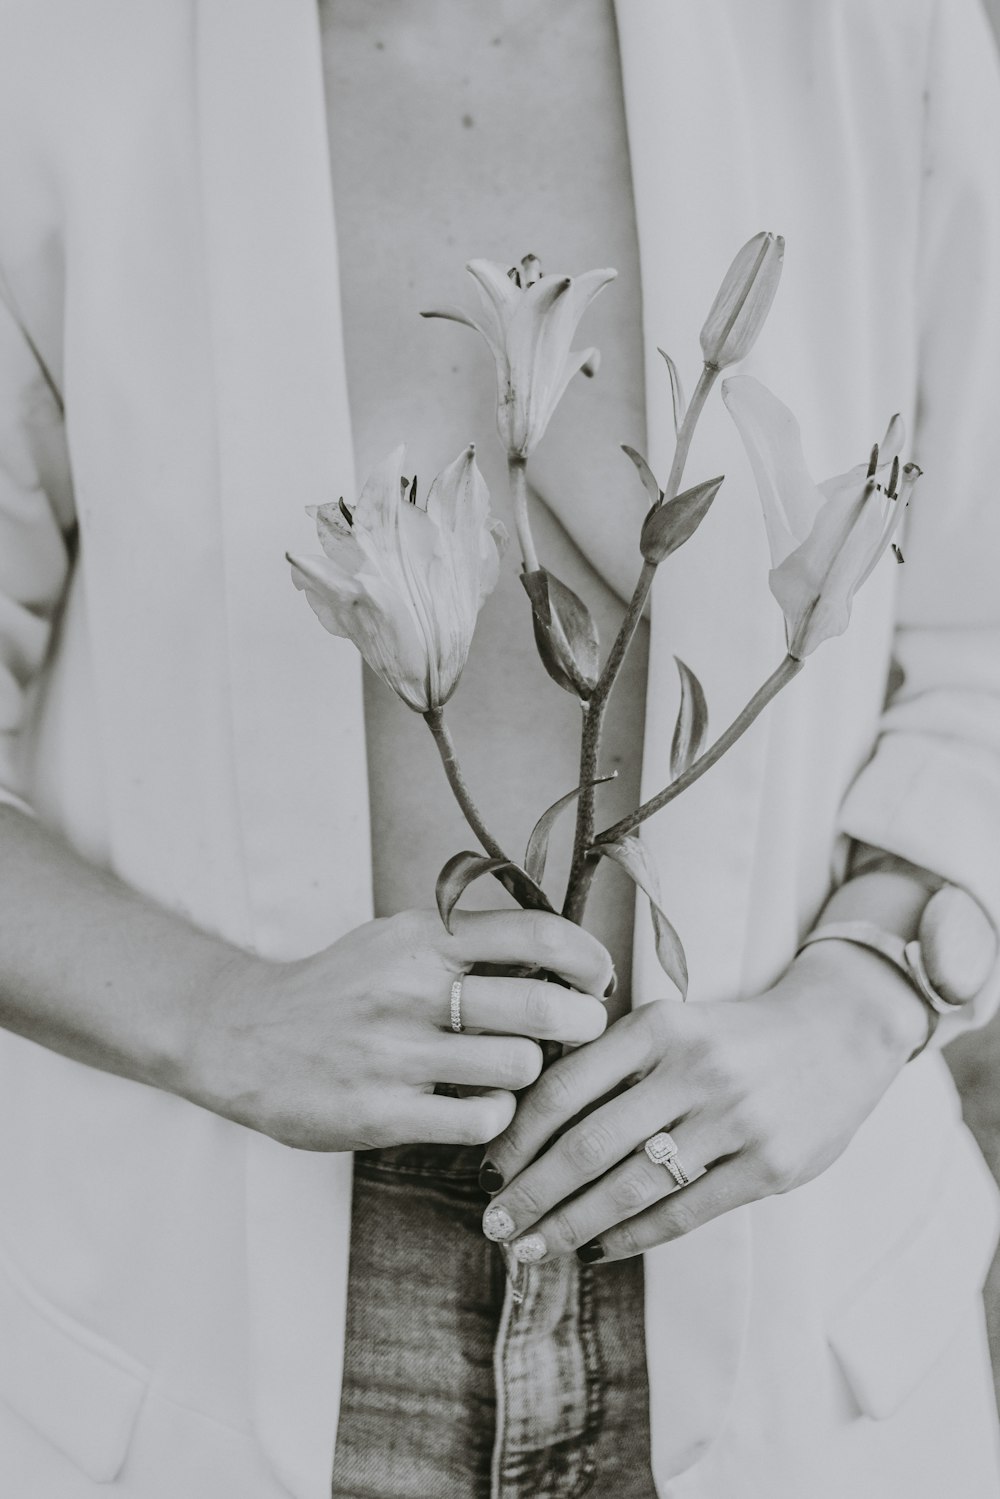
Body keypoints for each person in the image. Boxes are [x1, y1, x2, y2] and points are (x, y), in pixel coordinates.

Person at [1, 2, 999, 1496]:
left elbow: (981, 640)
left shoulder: (876, 35)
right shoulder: (52, 61)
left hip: (790, 1287)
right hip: (217, 1294)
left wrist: (862, 997)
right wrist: (220, 1017)